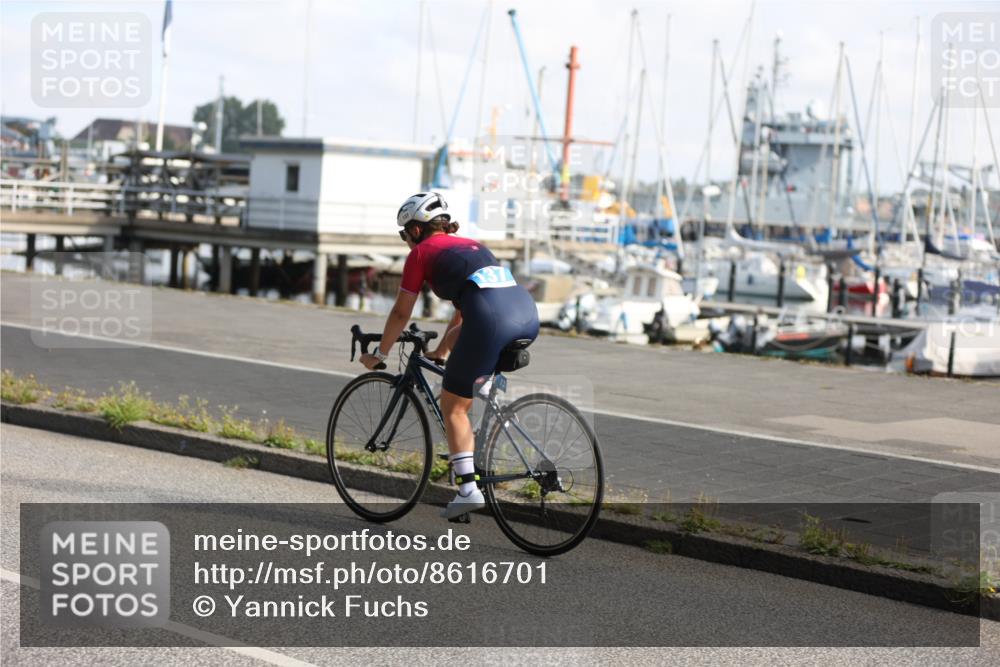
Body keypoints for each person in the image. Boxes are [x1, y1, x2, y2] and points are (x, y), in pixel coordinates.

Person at [359, 192, 539, 519]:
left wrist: (380, 353)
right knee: (468, 382)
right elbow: (464, 312)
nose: (406, 242)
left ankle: (468, 490)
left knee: (453, 406)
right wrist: (441, 351)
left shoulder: (422, 254)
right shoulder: (473, 246)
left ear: (415, 230)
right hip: (526, 315)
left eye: (404, 234)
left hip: (490, 320)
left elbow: (401, 312)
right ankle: (477, 446)